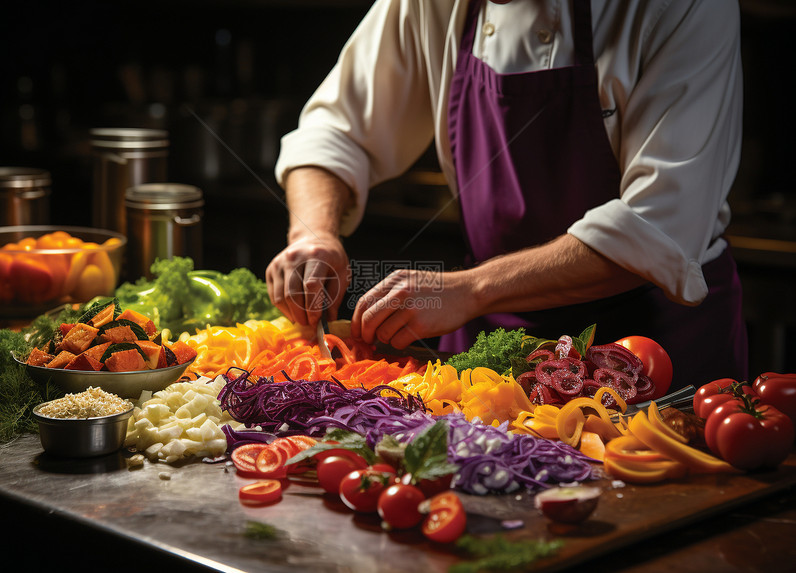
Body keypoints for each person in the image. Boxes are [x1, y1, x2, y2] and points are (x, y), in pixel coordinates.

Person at [265, 0, 749, 389]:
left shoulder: (685, 7)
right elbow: (335, 130)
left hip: (652, 354)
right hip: (489, 353)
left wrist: (471, 288)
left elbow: (658, 225)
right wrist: (314, 233)